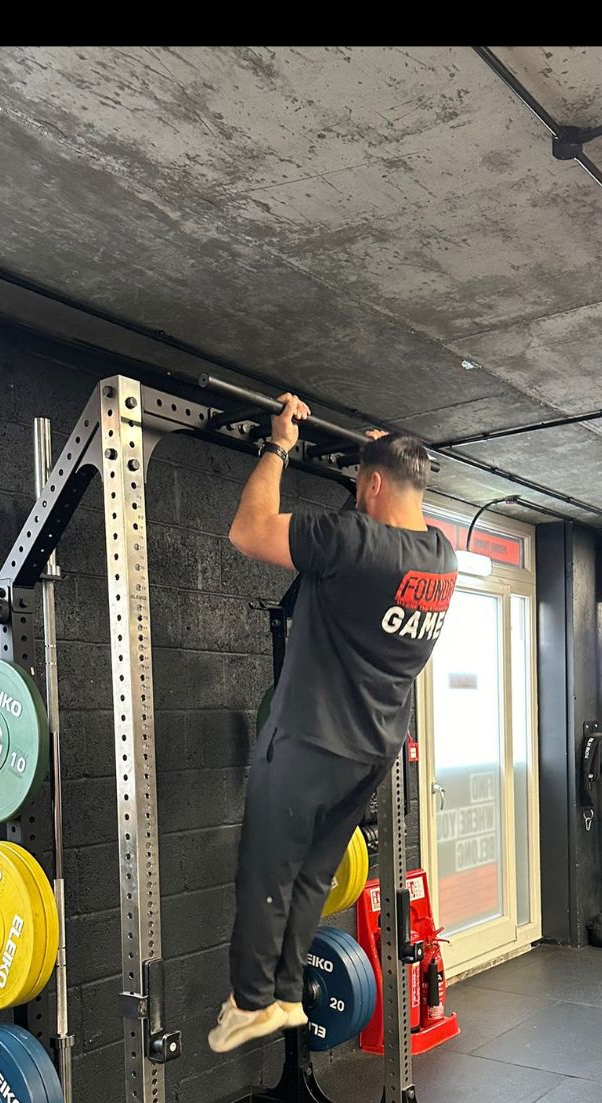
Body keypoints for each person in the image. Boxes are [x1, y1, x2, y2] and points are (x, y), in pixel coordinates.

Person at [209, 392, 455, 1052]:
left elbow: (248, 529)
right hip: (371, 751)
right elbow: (368, 545)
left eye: (361, 485)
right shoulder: (440, 557)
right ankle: (288, 993)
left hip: (309, 741)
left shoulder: (348, 541)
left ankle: (251, 1004)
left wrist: (279, 446)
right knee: (312, 873)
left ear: (371, 485)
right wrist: (366, 474)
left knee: (266, 870)